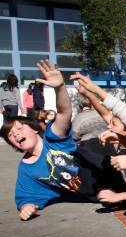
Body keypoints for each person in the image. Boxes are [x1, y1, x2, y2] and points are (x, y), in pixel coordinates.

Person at [0, 61, 106, 221]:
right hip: (98, 195)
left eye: (19, 128)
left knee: (90, 144)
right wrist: (26, 207)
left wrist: (60, 87)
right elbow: (24, 197)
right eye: (10, 136)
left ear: (35, 129)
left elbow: (64, 113)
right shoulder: (26, 170)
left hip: (109, 173)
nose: (15, 135)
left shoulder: (53, 138)